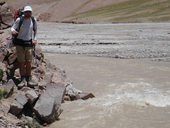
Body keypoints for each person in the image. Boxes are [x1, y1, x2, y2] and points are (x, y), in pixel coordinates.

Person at [11, 5, 38, 88]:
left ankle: (28, 78)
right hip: (19, 44)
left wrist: (35, 39)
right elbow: (12, 28)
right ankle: (22, 79)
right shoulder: (20, 20)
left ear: (31, 12)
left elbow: (35, 30)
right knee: (21, 62)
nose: (28, 13)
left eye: (29, 12)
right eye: (26, 12)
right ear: (24, 12)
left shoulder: (33, 20)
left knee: (29, 62)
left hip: (28, 44)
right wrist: (14, 32)